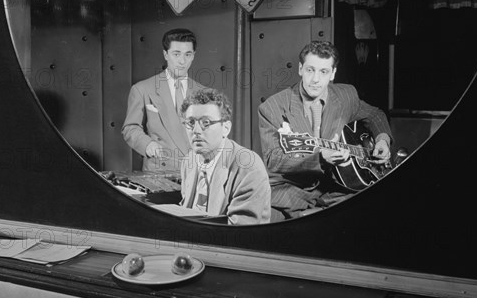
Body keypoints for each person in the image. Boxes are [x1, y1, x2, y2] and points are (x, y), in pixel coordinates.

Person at [258, 40, 392, 221]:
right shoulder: (272, 107)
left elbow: (375, 115)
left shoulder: (345, 96)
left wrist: (382, 139)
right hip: (294, 189)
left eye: (324, 72)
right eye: (310, 70)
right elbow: (272, 159)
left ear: (333, 74)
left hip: (339, 187)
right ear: (300, 69)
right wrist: (320, 158)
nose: (315, 79)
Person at [180, 89, 271, 225]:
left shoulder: (248, 166)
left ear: (226, 128)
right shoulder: (189, 160)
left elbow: (238, 231)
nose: (196, 131)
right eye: (191, 123)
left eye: (206, 123)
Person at [122, 29, 205, 172]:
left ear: (194, 56)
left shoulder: (204, 93)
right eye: (176, 54)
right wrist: (148, 145)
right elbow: (130, 128)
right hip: (158, 171)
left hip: (196, 172)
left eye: (188, 54)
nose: (182, 61)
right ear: (165, 54)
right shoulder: (142, 89)